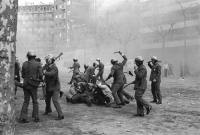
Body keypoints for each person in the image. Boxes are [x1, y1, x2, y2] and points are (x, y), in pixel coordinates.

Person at [19, 50, 43, 123]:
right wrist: (40, 80)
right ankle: (36, 117)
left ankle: (23, 117)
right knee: (35, 101)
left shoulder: (24, 64)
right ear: (34, 57)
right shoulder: (38, 64)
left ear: (28, 57)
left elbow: (22, 75)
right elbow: (41, 75)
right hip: (33, 85)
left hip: (26, 84)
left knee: (26, 101)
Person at [43, 54, 64, 120]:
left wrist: (44, 72)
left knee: (55, 100)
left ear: (51, 60)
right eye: (46, 60)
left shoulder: (55, 68)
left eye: (47, 60)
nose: (46, 61)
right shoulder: (47, 66)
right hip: (49, 86)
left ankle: (61, 115)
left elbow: (51, 74)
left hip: (55, 87)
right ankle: (48, 110)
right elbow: (42, 70)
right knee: (47, 99)